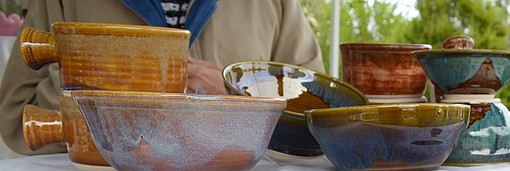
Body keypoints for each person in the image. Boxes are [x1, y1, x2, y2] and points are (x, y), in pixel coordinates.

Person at [0, 0, 324, 156]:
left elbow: (318, 118)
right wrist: (128, 86)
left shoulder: (274, 4)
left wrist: (239, 100)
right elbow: (16, 119)